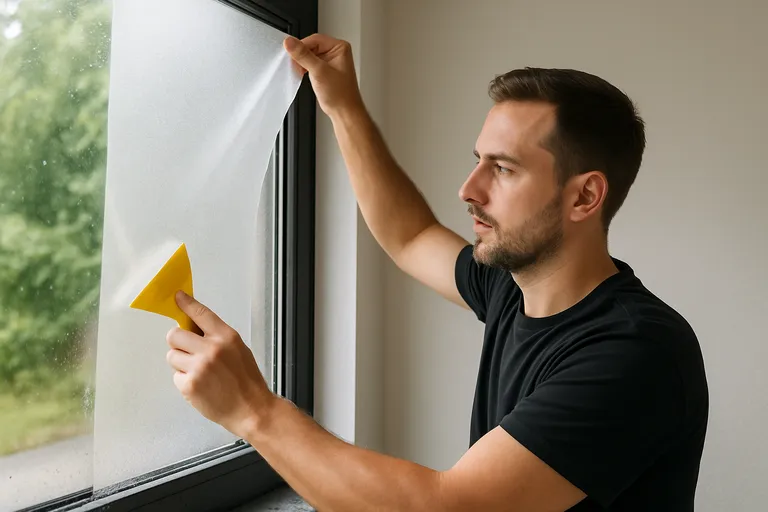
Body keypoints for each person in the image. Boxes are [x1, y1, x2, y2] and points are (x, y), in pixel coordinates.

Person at [165, 34, 709, 511]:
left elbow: (451, 508)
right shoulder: (512, 287)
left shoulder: (635, 353)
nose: (469, 189)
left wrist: (254, 412)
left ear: (585, 196)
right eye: (478, 160)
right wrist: (344, 107)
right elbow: (410, 236)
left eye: (503, 168)